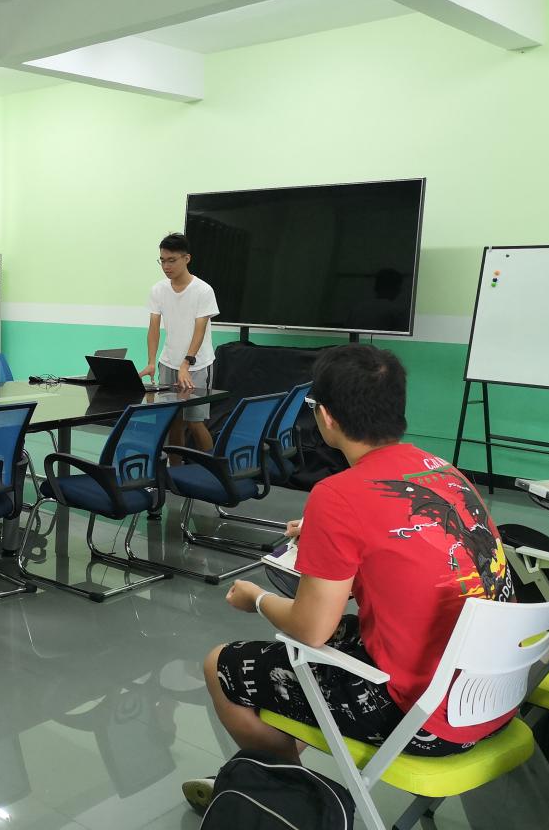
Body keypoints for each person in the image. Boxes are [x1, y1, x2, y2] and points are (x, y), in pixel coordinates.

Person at [185, 345, 515, 814]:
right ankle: (263, 776)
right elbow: (409, 548)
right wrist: (322, 535)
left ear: (326, 417)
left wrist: (256, 599)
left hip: (427, 720)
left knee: (221, 665)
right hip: (493, 697)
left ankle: (289, 795)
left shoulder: (337, 494)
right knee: (302, 666)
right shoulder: (445, 471)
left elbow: (311, 629)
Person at [140, 233, 218, 453]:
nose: (166, 266)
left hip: (197, 365)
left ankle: (211, 469)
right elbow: (154, 328)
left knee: (194, 422)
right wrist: (151, 362)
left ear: (186, 258)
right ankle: (174, 470)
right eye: (163, 261)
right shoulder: (158, 289)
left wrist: (186, 363)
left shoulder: (203, 290)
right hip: (168, 363)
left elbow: (199, 331)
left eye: (172, 260)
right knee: (172, 421)